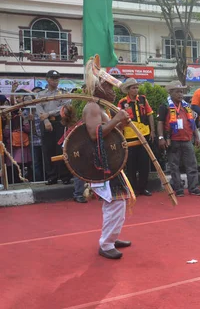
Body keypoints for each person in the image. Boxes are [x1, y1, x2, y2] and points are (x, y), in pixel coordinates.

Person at [81, 59, 133, 260]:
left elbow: (111, 133)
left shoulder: (102, 108)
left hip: (110, 162)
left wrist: (120, 123)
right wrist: (116, 120)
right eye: (109, 87)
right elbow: (95, 134)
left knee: (117, 202)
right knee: (115, 203)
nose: (113, 91)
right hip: (100, 164)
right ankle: (106, 243)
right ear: (99, 88)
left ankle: (111, 237)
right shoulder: (93, 107)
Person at [157, 81, 200, 197]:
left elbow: (192, 122)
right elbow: (160, 123)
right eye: (177, 92)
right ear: (171, 93)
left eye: (181, 92)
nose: (180, 94)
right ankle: (178, 189)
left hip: (187, 139)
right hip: (172, 140)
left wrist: (197, 136)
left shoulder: (186, 106)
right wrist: (161, 137)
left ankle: (193, 188)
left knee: (192, 164)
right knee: (174, 165)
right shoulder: (165, 106)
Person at [117, 78, 156, 196]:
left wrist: (152, 131)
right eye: (133, 88)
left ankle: (143, 188)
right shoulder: (122, 102)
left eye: (137, 87)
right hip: (129, 136)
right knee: (131, 164)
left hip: (144, 134)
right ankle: (132, 188)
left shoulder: (143, 99)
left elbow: (150, 115)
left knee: (144, 163)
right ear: (128, 90)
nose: (136, 90)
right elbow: (118, 119)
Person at [36, 70, 71, 185]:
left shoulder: (62, 92)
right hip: (46, 123)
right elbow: (39, 109)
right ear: (47, 79)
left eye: (57, 79)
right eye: (53, 79)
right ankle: (52, 176)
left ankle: (65, 176)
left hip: (59, 122)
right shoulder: (41, 94)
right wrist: (46, 120)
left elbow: (65, 107)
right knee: (48, 150)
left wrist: (49, 113)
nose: (55, 81)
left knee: (61, 148)